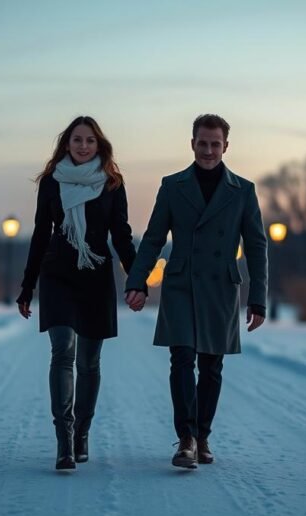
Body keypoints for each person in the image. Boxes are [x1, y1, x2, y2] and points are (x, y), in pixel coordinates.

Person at [124, 114, 267, 469]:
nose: (208, 150)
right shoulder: (173, 186)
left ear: (225, 147)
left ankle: (203, 435)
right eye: (202, 143)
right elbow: (154, 237)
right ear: (192, 144)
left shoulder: (243, 190)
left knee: (211, 365)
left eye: (215, 144)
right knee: (182, 359)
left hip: (220, 285)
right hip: (181, 283)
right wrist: (137, 281)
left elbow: (256, 245)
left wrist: (258, 298)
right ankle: (186, 438)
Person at [17, 116, 137, 471]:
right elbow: (40, 234)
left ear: (99, 145)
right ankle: (64, 439)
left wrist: (137, 277)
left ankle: (83, 430)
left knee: (88, 362)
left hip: (96, 275)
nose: (83, 146)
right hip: (58, 274)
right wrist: (28, 285)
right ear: (66, 144)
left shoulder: (113, 183)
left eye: (89, 141)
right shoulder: (52, 183)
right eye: (76, 140)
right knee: (62, 351)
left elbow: (122, 235)